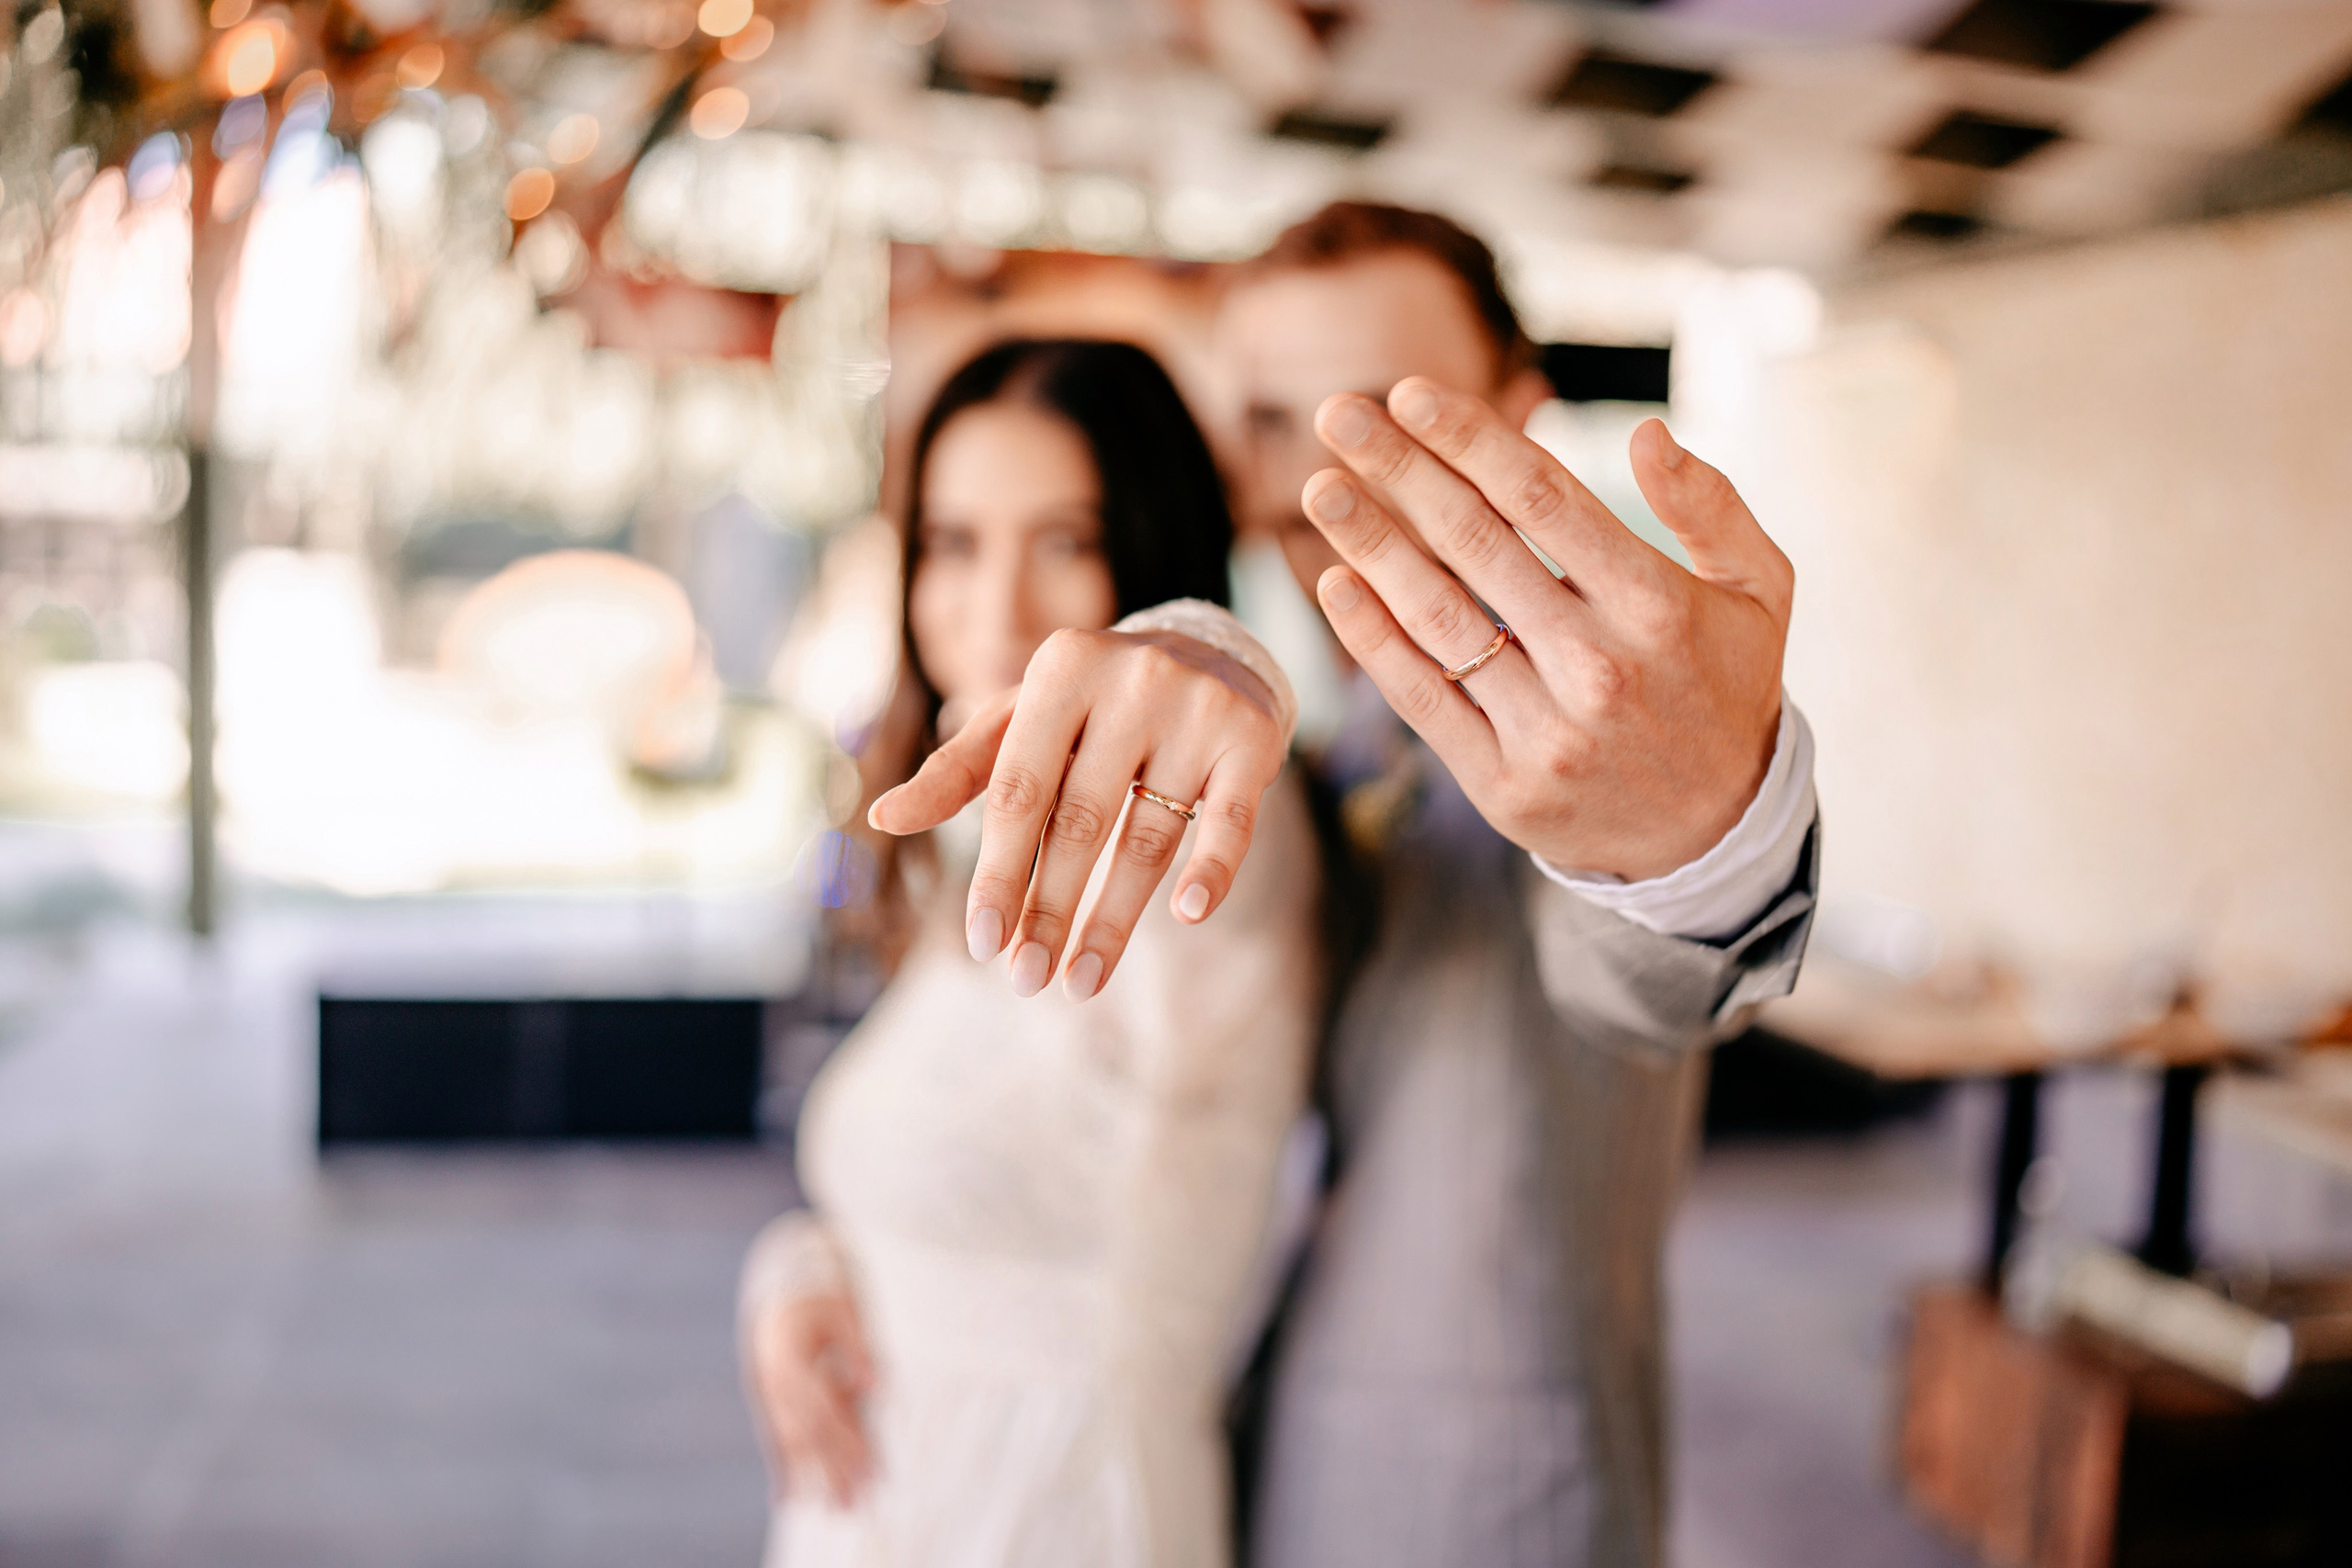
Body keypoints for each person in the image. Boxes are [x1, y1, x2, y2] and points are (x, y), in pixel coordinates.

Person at [866, 204, 1820, 1568]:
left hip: (1491, 1509)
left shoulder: (1598, 743)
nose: (1331, 480)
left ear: (1521, 411)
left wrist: (1704, 831)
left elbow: (1642, 966)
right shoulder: (1318, 744)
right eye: (1273, 422)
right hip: (1236, 1467)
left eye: (1384, 414)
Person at [739, 338, 1323, 1568]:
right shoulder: (972, 843)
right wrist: (800, 1273)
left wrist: (1214, 659)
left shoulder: (1204, 848)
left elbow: (1196, 697)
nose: (996, 609)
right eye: (953, 543)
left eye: (1065, 540)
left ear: (1152, 545)